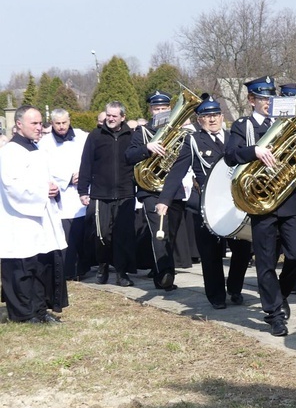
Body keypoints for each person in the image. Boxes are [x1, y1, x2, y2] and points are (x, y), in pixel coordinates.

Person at [224, 76, 296, 336]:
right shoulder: (242, 126)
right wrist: (254, 151)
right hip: (261, 203)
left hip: (288, 199)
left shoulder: (287, 123)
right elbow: (230, 156)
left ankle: (280, 293)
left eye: (270, 98)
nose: (267, 103)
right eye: (262, 98)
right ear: (251, 100)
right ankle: (274, 313)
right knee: (266, 261)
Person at [160, 95, 253, 309]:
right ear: (199, 120)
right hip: (205, 204)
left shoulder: (233, 137)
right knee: (210, 254)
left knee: (242, 251)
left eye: (215, 115)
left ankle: (235, 288)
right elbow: (177, 172)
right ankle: (216, 296)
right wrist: (165, 199)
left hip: (234, 203)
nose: (212, 120)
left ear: (222, 116)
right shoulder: (192, 141)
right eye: (206, 116)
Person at [0, 106, 68, 323]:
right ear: (19, 124)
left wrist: (54, 189)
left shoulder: (36, 149)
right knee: (21, 267)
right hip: (19, 218)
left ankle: (39, 310)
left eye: (41, 123)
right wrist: (42, 191)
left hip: (40, 217)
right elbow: (12, 186)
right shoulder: (9, 152)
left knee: (40, 265)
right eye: (34, 124)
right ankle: (23, 313)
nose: (40, 128)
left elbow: (44, 177)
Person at [125, 91, 190, 292]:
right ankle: (164, 276)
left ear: (170, 109)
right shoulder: (142, 132)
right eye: (157, 108)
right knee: (158, 233)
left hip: (173, 190)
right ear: (151, 110)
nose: (160, 111)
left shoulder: (178, 131)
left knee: (170, 232)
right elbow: (129, 156)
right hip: (150, 190)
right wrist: (147, 148)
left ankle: (161, 269)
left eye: (164, 108)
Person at [78, 101, 137, 286]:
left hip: (125, 193)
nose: (110, 118)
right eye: (108, 115)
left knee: (123, 236)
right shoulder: (95, 136)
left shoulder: (132, 136)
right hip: (100, 194)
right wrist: (83, 190)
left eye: (114, 116)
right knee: (102, 235)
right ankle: (103, 266)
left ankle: (122, 273)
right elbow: (86, 163)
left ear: (122, 117)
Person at [37, 108, 90, 281]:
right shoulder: (44, 143)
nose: (61, 127)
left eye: (64, 123)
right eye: (57, 123)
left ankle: (83, 268)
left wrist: (84, 174)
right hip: (61, 193)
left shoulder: (82, 136)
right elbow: (44, 168)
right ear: (52, 123)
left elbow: (90, 158)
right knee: (66, 234)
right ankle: (67, 270)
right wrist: (66, 179)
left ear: (69, 120)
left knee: (82, 231)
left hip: (81, 190)